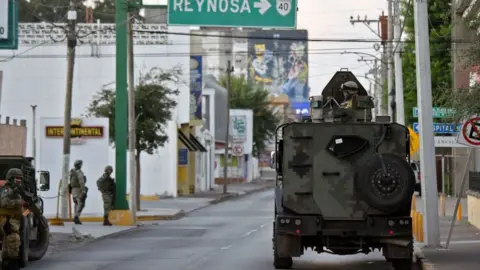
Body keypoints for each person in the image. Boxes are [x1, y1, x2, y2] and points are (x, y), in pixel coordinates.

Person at [0, 168, 24, 269]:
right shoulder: (8, 189)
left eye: (20, 179)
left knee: (9, 244)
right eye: (16, 179)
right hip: (8, 219)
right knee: (13, 241)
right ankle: (10, 265)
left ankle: (7, 264)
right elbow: (4, 203)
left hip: (15, 219)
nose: (19, 181)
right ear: (11, 179)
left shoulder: (17, 190)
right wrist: (19, 203)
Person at [70, 160, 86, 225]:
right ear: (79, 165)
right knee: (81, 203)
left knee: (76, 203)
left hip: (73, 189)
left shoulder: (72, 172)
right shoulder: (79, 172)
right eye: (81, 164)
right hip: (78, 189)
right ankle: (76, 216)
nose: (81, 165)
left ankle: (75, 216)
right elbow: (81, 181)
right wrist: (83, 190)